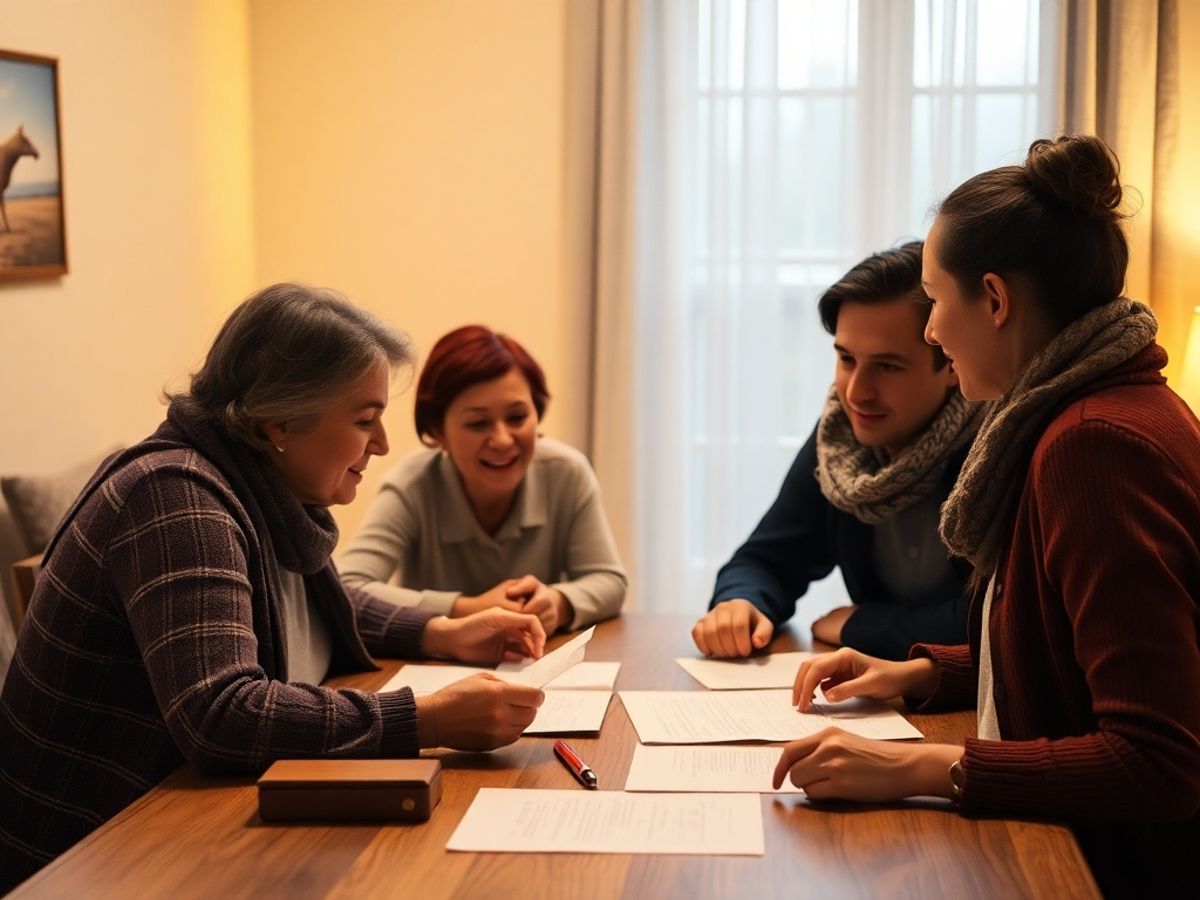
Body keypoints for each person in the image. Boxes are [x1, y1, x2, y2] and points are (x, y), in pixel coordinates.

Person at [0, 284, 548, 891]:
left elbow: (318, 604)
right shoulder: (176, 495)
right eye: (365, 419)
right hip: (90, 858)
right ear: (278, 422)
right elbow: (222, 714)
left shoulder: (256, 487)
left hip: (178, 822)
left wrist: (442, 632)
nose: (383, 444)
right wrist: (428, 721)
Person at [774, 135, 1200, 897]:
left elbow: (1156, 763)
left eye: (935, 300)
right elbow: (1067, 658)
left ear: (995, 301)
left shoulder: (1093, 445)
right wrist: (921, 673)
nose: (933, 331)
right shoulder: (1086, 413)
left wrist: (921, 763)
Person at [693, 242, 983, 661]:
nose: (856, 392)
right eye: (847, 359)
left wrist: (861, 625)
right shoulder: (840, 442)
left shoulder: (994, 448)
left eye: (887, 366)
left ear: (952, 366)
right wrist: (741, 604)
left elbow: (994, 620)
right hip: (884, 699)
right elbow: (767, 559)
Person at [339, 324, 627, 635]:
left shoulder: (566, 472)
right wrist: (466, 609)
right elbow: (347, 586)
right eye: (478, 424)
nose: (503, 440)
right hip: (434, 667)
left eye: (517, 418)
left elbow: (609, 581)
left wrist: (558, 602)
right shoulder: (412, 486)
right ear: (438, 433)